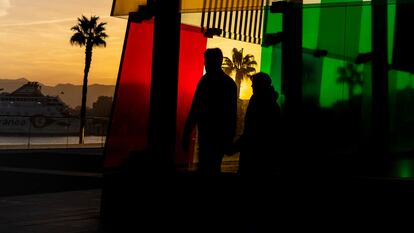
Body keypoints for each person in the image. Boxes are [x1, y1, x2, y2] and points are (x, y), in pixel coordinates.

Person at [182, 48, 237, 177]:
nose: (206, 65)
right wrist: (230, 136)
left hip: (207, 134)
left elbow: (195, 109)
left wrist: (187, 132)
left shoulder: (205, 82)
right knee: (213, 166)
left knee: (206, 167)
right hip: (219, 135)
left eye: (207, 62)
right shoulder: (229, 84)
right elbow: (232, 114)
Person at [233, 72, 282, 179]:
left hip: (254, 157)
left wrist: (234, 147)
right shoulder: (271, 103)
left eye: (254, 83)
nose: (252, 86)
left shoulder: (258, 102)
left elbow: (251, 132)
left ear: (260, 85)